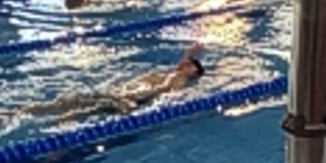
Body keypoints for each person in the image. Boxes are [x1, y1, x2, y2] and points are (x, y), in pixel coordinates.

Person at [15, 45, 204, 120]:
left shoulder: (177, 78)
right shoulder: (175, 73)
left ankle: (16, 113)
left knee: (70, 104)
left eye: (188, 64)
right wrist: (191, 53)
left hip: (124, 98)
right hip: (120, 95)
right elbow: (184, 62)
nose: (184, 62)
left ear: (192, 71)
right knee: (75, 106)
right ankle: (18, 114)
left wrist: (129, 100)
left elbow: (162, 90)